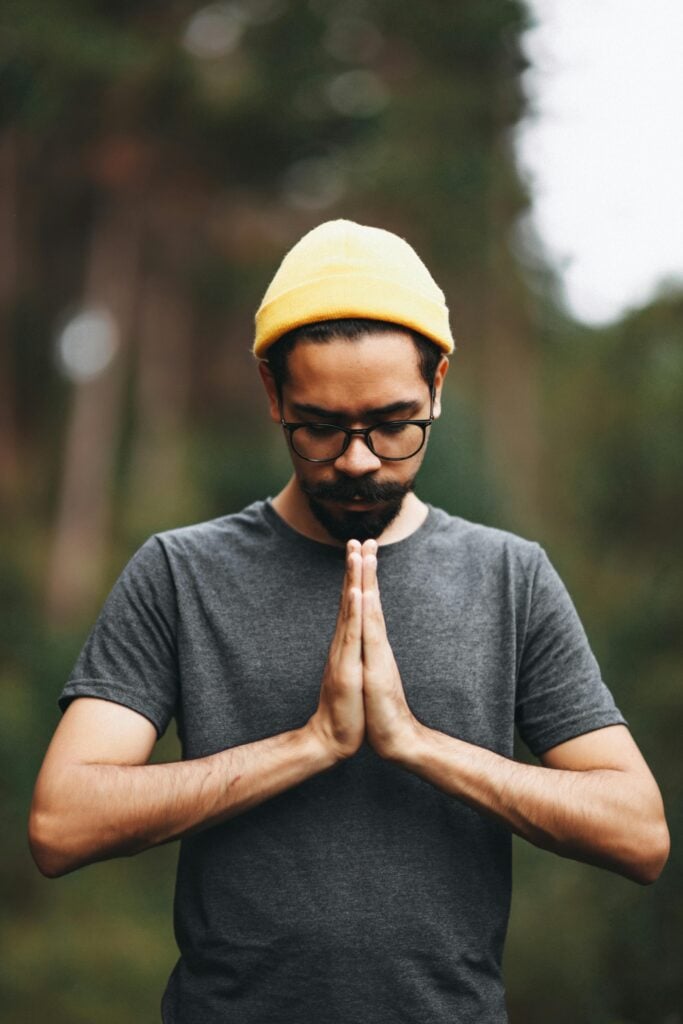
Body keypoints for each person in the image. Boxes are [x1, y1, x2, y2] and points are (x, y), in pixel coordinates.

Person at [29, 219, 669, 1024]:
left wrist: (415, 744)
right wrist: (310, 745)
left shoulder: (510, 578)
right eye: (322, 426)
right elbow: (62, 822)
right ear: (272, 394)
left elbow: (638, 834)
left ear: (437, 384)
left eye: (393, 423)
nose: (358, 459)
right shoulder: (179, 573)